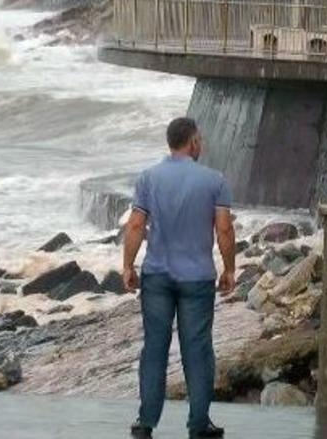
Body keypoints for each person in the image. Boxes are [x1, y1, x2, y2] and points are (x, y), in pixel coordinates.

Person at [122, 117, 237, 439]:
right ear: (192, 142)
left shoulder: (149, 178)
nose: (201, 144)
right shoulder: (214, 180)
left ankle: (145, 423)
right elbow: (224, 229)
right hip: (197, 278)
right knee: (197, 350)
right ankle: (199, 424)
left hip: (157, 274)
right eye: (199, 139)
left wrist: (128, 266)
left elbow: (134, 225)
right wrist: (229, 269)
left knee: (154, 348)